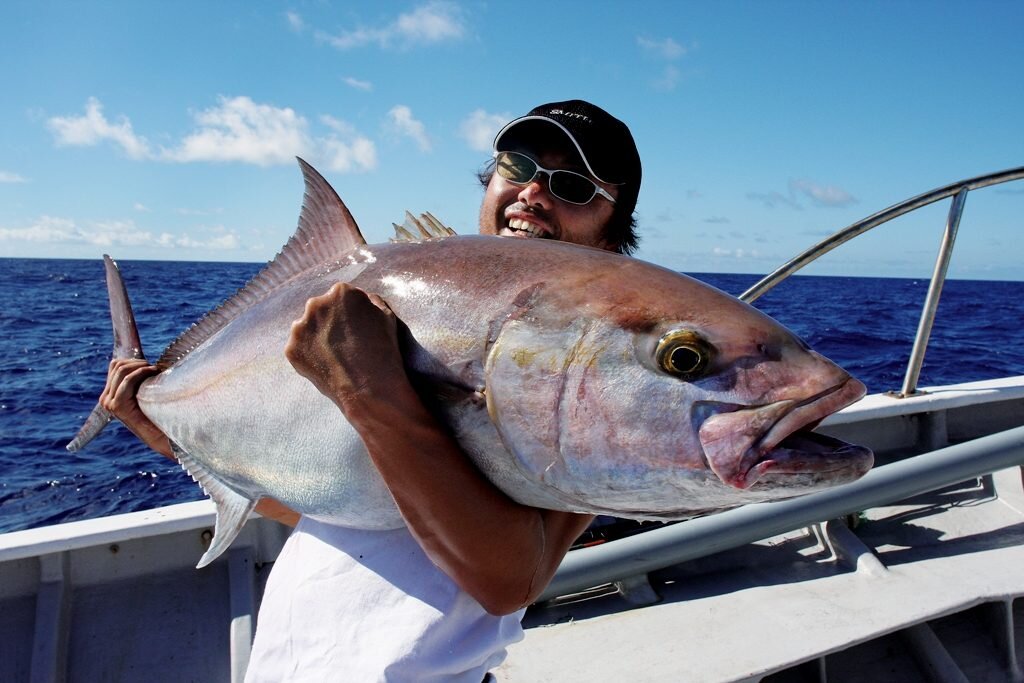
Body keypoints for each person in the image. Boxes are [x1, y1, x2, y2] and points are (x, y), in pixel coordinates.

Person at [101, 99, 642, 682]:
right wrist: (162, 433)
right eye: (518, 165)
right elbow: (333, 506)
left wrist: (367, 390)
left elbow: (509, 582)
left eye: (574, 186)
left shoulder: (585, 393)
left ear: (612, 239)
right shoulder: (393, 298)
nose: (535, 192)